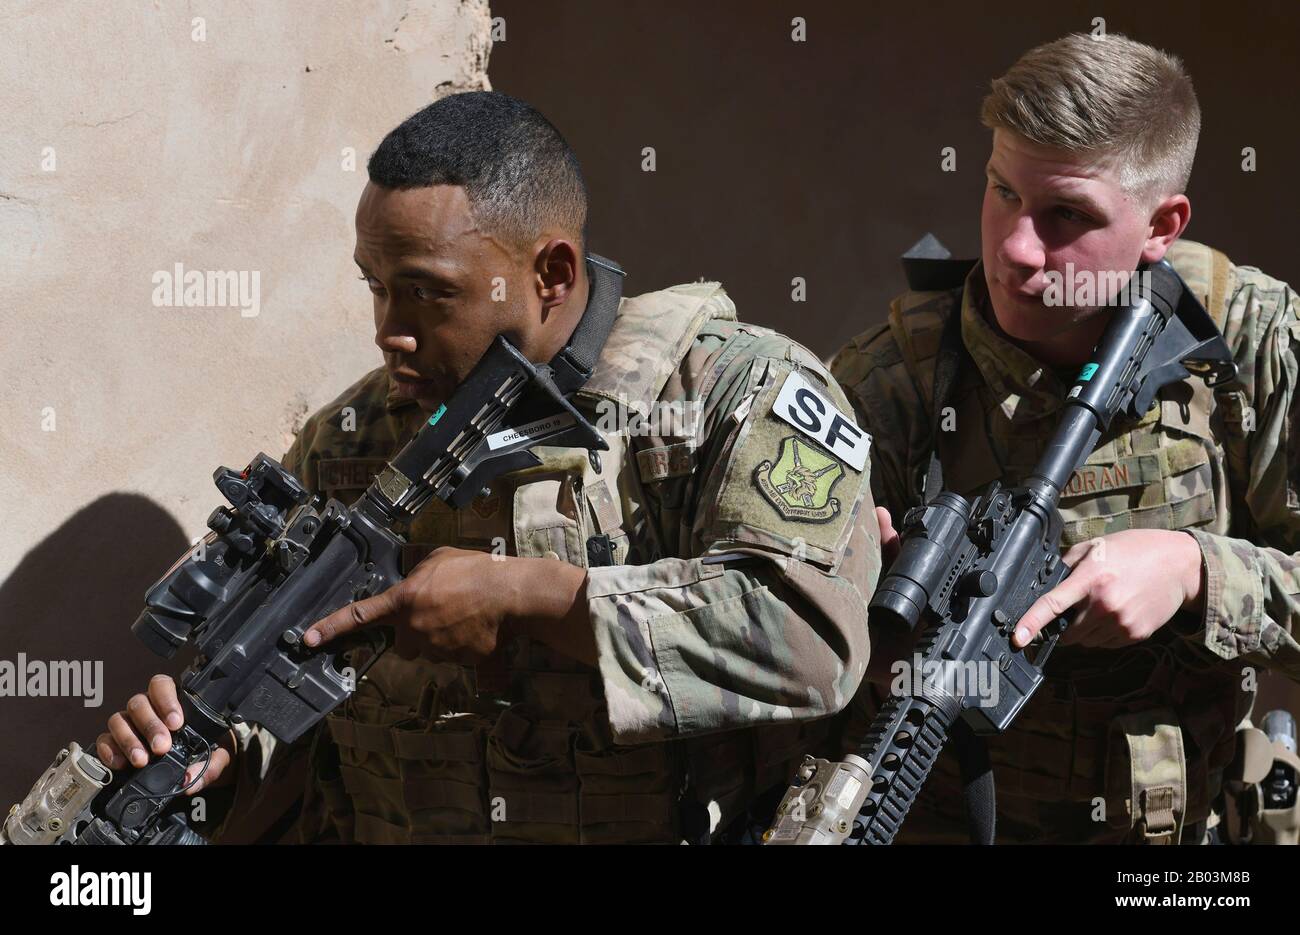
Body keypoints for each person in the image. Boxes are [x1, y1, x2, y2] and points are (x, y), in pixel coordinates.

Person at [94, 91, 881, 844]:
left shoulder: (732, 395)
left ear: (552, 276)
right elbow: (311, 720)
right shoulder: (355, 441)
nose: (389, 332)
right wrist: (216, 756)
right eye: (376, 288)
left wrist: (529, 596)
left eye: (427, 294)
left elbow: (810, 637)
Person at [832, 33, 1300, 843]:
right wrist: (846, 618)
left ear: (1163, 225)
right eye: (1002, 191)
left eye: (1067, 215)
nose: (1017, 247)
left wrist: (1199, 574)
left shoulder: (1250, 349)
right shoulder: (891, 383)